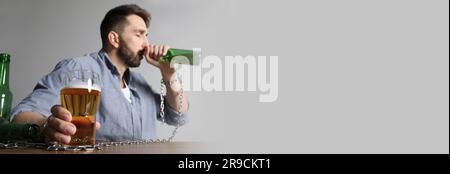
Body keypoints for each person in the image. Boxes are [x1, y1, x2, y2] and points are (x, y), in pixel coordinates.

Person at [9, 4, 189, 144]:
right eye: (139, 35)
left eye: (147, 35)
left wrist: (169, 74)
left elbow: (178, 117)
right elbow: (20, 116)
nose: (146, 44)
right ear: (114, 39)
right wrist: (47, 126)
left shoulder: (139, 82)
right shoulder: (78, 69)